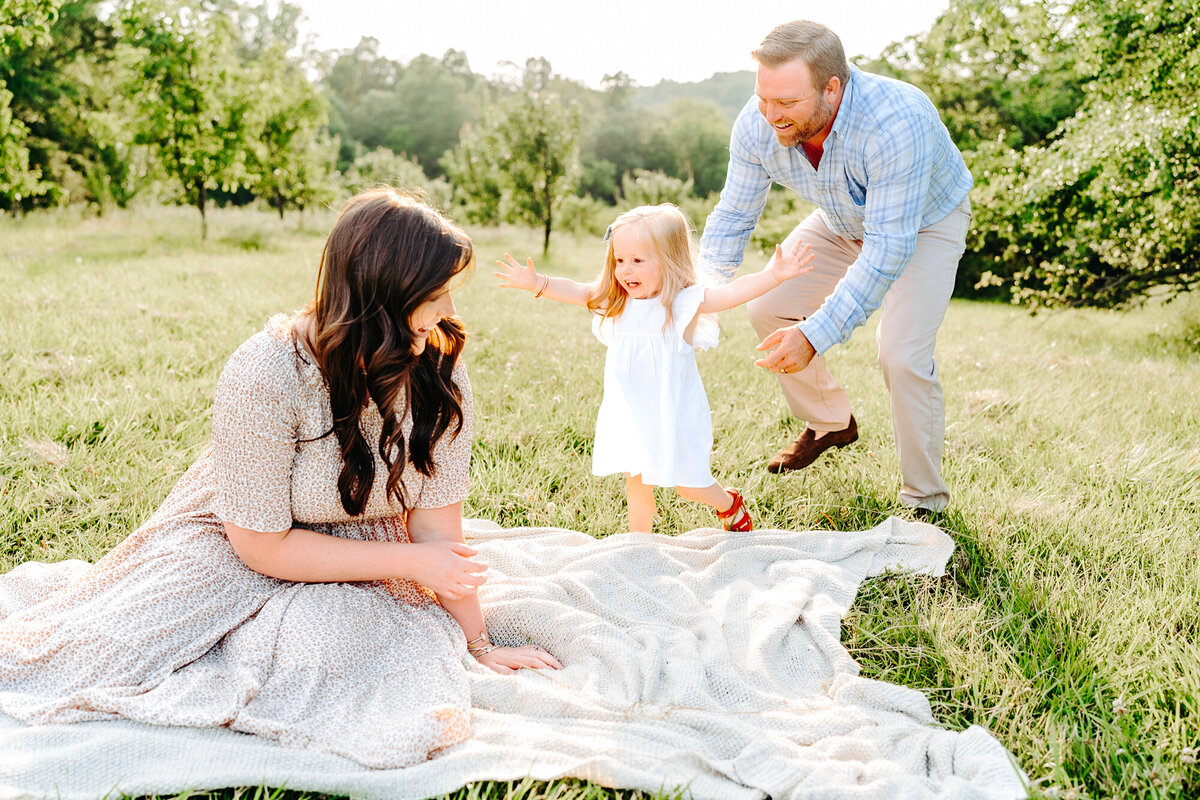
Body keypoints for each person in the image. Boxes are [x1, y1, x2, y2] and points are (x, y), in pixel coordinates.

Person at [0, 189, 560, 769]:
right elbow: (260, 543)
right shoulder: (266, 371)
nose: (447, 308)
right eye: (434, 291)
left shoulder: (436, 366)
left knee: (346, 656)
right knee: (109, 652)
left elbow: (437, 531)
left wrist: (479, 643)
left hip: (369, 542)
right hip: (239, 541)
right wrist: (413, 565)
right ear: (385, 291)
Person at [698, 20, 973, 514]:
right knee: (767, 307)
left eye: (786, 103)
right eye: (764, 98)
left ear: (832, 87)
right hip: (841, 220)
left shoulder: (897, 120)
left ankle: (924, 502)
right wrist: (699, 296)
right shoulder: (757, 123)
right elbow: (734, 214)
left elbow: (888, 248)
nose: (771, 115)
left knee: (902, 357)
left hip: (923, 226)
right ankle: (830, 421)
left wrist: (813, 335)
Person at [495, 204, 812, 533]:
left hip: (674, 412)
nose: (625, 270)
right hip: (632, 412)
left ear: (668, 260)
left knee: (688, 485)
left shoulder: (682, 303)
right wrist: (537, 282)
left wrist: (774, 275)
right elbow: (578, 291)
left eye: (638, 261)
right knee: (636, 481)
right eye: (620, 260)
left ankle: (729, 504)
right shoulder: (617, 302)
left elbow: (731, 294)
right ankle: (639, 545)